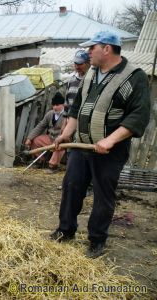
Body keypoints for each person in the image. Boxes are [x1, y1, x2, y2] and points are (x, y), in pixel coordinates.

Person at [50, 31, 150, 258]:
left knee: (103, 194)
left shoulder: (134, 77)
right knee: (71, 186)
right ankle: (65, 231)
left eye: (91, 47)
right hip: (81, 147)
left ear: (107, 48)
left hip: (109, 151)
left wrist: (110, 140)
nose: (88, 52)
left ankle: (96, 240)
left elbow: (138, 116)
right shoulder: (90, 74)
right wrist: (66, 135)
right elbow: (76, 109)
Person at [24, 92, 68, 173]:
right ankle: (40, 161)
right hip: (50, 138)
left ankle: (53, 166)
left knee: (59, 147)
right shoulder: (50, 114)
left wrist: (61, 139)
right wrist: (29, 138)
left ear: (63, 105)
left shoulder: (67, 115)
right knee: (36, 140)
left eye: (57, 105)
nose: (55, 107)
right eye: (53, 105)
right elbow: (40, 126)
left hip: (61, 141)